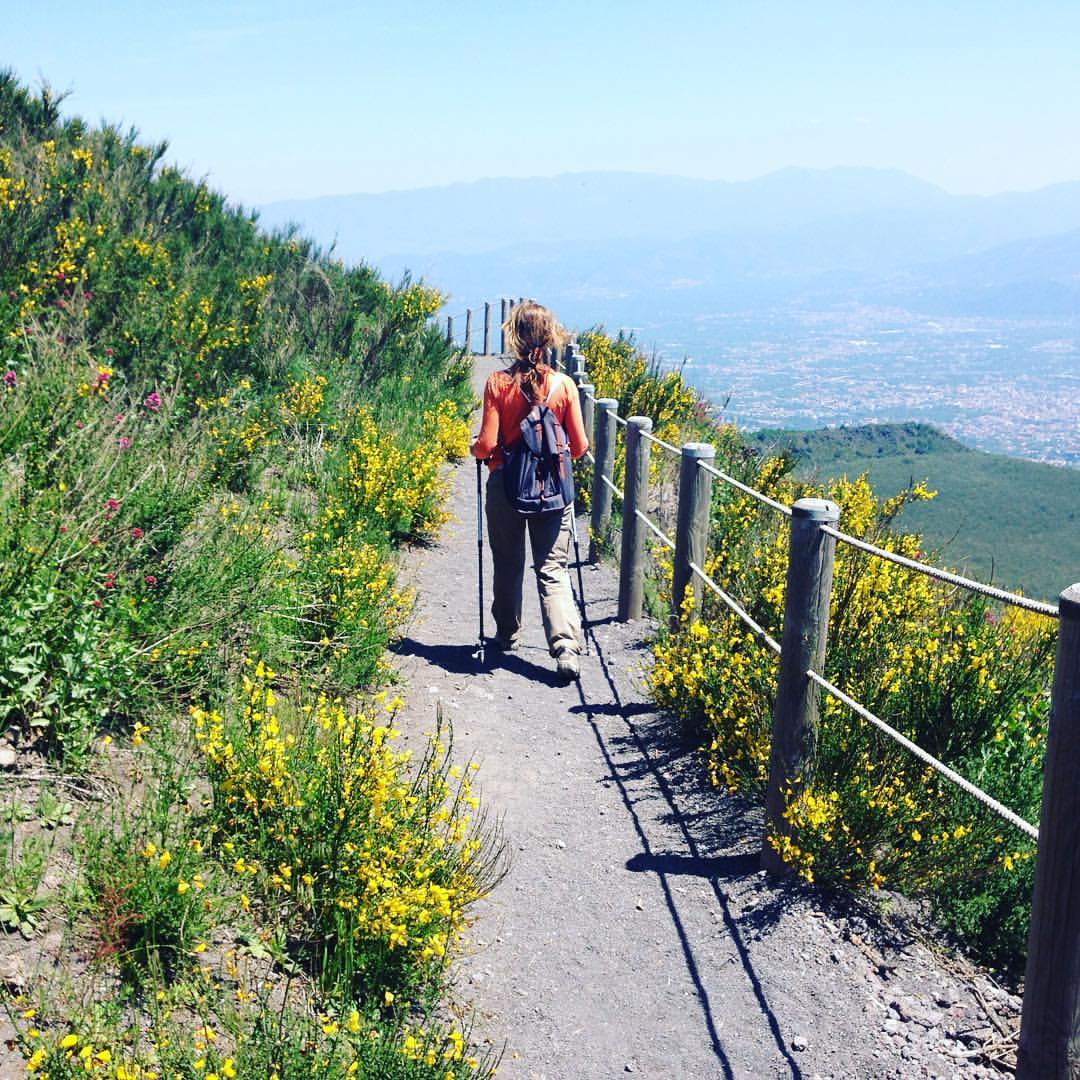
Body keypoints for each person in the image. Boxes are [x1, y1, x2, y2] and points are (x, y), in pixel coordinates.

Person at [471, 302, 590, 680]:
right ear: (550, 338)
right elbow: (581, 446)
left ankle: (506, 634)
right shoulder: (564, 386)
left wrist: (476, 449)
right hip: (553, 490)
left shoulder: (497, 384)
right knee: (552, 567)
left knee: (508, 562)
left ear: (515, 338)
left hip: (506, 484)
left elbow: (487, 444)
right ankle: (566, 647)